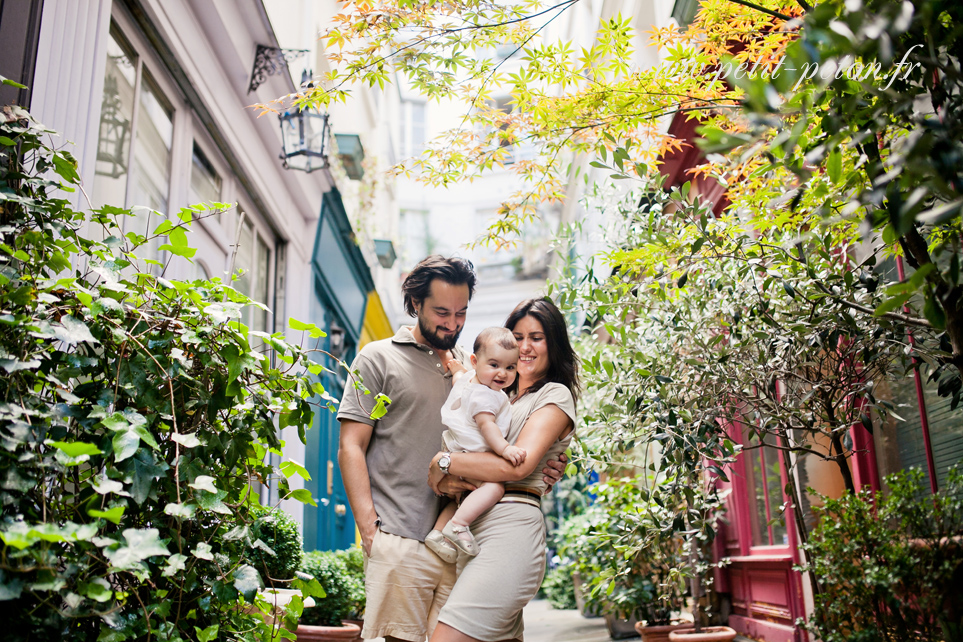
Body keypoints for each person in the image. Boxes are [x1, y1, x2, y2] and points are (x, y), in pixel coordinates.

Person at [337, 257, 565, 642]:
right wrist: (370, 530)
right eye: (442, 311)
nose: (453, 323)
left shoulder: (475, 367)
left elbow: (514, 436)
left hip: (464, 541)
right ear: (415, 303)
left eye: (461, 313)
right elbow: (350, 446)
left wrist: (546, 466)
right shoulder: (377, 357)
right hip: (401, 537)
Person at [427, 297, 580, 642]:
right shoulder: (499, 396)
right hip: (474, 529)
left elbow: (517, 465)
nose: (525, 347)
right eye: (518, 335)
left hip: (511, 528)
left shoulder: (554, 395)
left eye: (536, 337)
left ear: (552, 344)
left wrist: (444, 462)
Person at [424, 327, 525, 563]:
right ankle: (458, 525)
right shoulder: (487, 396)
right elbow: (487, 426)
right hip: (471, 453)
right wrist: (505, 449)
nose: (502, 373)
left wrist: (457, 369)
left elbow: (459, 379)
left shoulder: (470, 381)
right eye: (494, 365)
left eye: (510, 367)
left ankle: (438, 533)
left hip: (456, 449)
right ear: (474, 361)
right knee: (494, 488)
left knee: (461, 497)